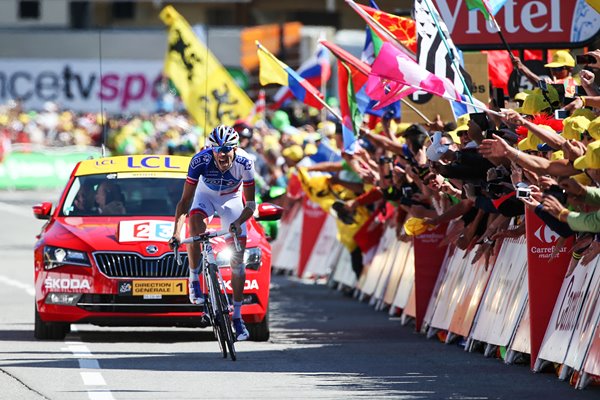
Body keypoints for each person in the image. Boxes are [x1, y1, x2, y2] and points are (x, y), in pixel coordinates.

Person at [169, 125, 255, 341]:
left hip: (232, 200)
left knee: (238, 261)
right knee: (195, 222)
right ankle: (194, 279)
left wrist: (237, 222)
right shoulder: (199, 160)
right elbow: (184, 203)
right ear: (211, 149)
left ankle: (237, 317)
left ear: (235, 149)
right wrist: (176, 233)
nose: (222, 154)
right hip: (205, 196)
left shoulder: (246, 162)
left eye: (227, 149)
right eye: (217, 149)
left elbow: (251, 205)